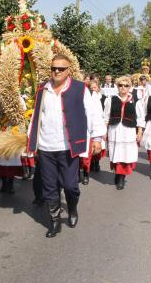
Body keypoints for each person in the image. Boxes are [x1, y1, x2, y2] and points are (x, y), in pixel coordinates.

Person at [27, 54, 106, 238]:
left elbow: (93, 114)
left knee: (70, 186)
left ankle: (72, 208)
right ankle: (55, 221)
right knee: (49, 187)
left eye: (61, 69)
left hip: (68, 147)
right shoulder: (42, 89)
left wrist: (97, 138)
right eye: (54, 68)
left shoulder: (79, 89)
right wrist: (31, 140)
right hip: (46, 148)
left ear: (68, 70)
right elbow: (36, 117)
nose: (56, 71)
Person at [103, 76, 144, 190]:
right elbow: (106, 117)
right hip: (115, 130)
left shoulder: (135, 101)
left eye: (126, 85)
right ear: (117, 86)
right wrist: (104, 132)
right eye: (120, 85)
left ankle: (121, 177)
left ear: (130, 87)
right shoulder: (111, 99)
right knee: (115, 153)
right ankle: (117, 173)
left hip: (128, 130)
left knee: (125, 154)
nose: (123, 88)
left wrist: (139, 132)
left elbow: (140, 118)